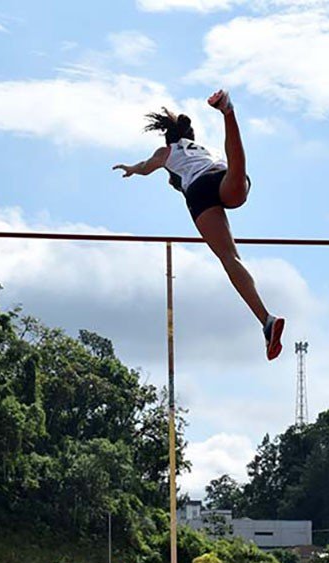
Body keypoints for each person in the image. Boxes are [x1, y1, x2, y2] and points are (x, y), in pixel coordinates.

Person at [113, 90, 285, 360]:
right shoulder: (205, 149)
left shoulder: (167, 151)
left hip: (199, 191)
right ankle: (229, 113)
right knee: (237, 171)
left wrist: (133, 169)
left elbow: (148, 165)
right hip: (224, 176)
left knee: (230, 258)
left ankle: (266, 319)